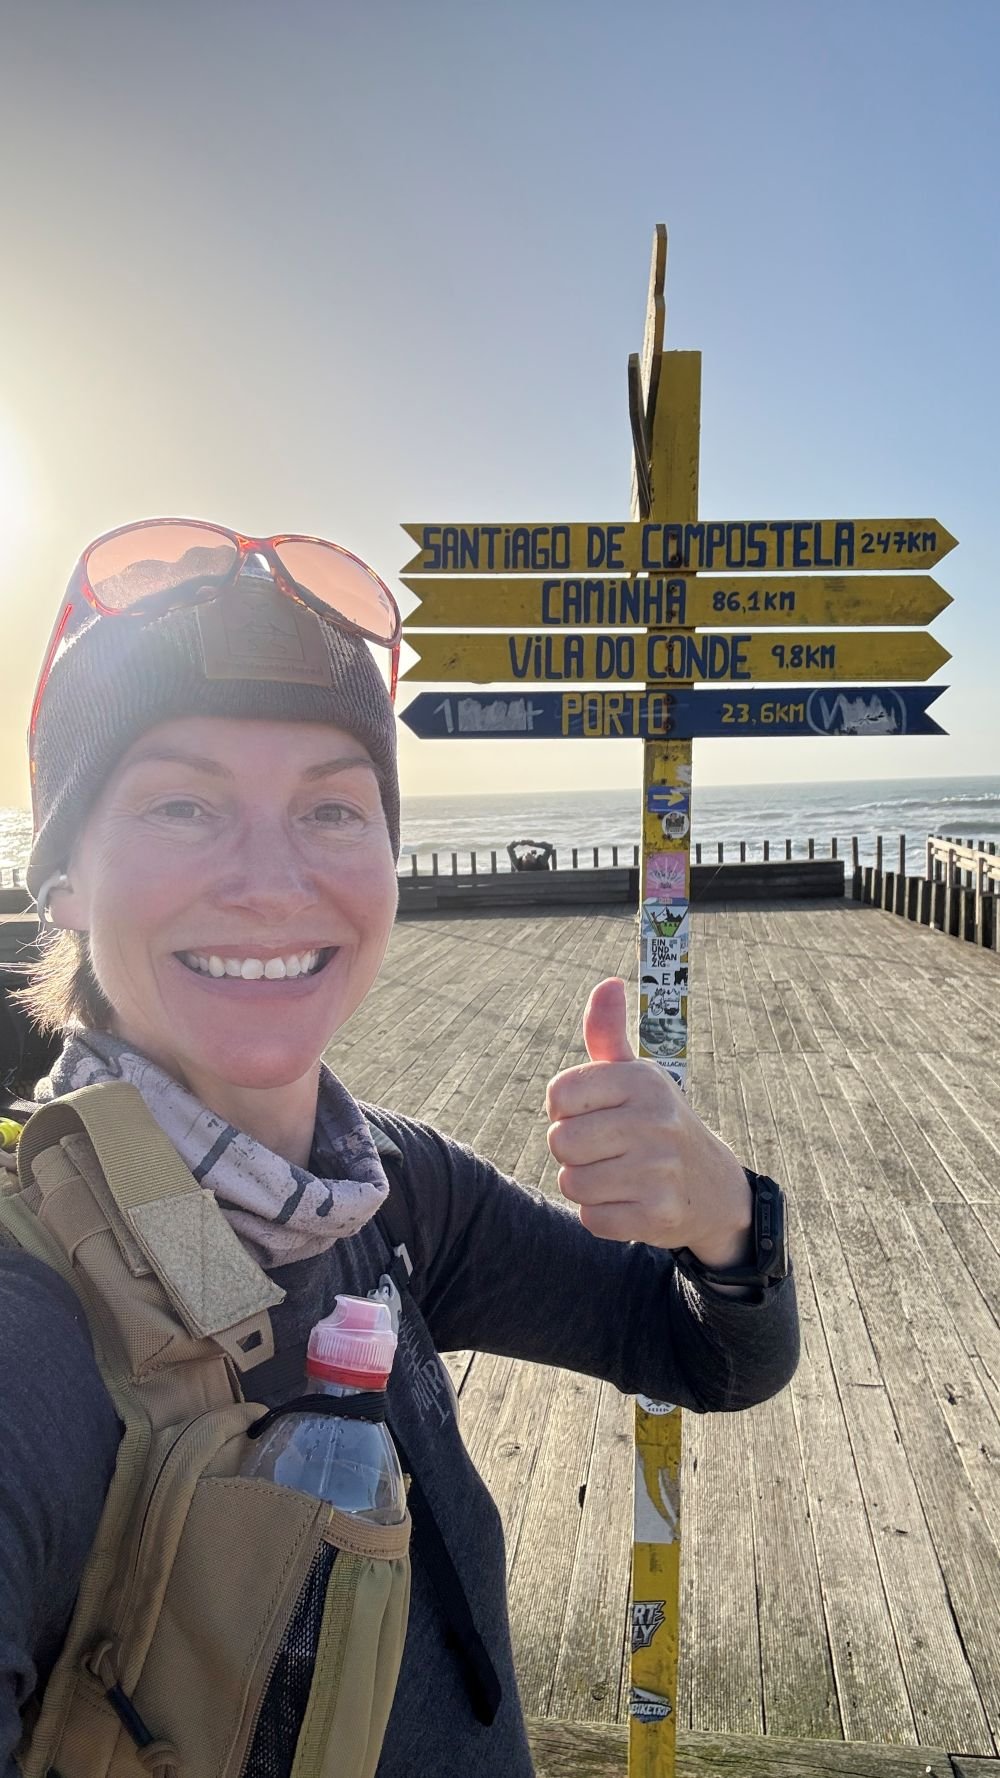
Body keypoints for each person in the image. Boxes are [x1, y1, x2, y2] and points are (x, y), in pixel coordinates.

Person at [0, 517, 799, 1778]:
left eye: (331, 805)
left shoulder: (387, 1187)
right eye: (181, 801)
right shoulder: (33, 1314)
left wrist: (726, 1221)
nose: (270, 880)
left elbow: (705, 1349)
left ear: (387, 856)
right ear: (65, 883)